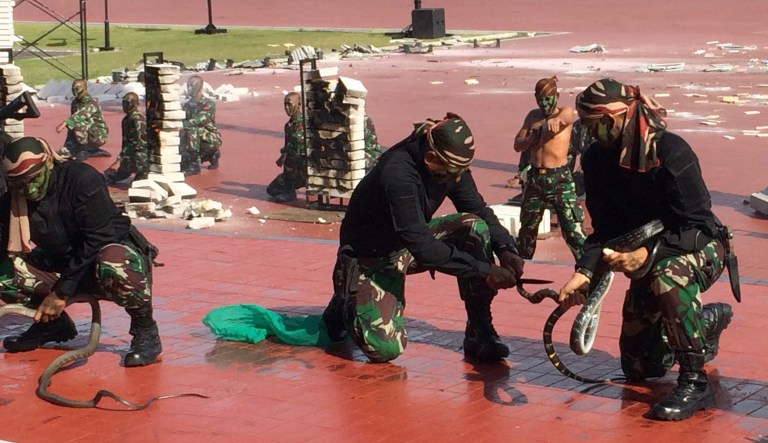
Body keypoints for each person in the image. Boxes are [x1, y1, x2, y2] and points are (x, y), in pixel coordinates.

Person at [558, 78, 735, 421]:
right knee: (641, 367)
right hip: (647, 258)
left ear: (611, 120)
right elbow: (604, 230)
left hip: (697, 247)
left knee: (668, 276)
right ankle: (704, 323)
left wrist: (648, 256)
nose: (588, 135)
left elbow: (698, 226)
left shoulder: (670, 151)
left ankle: (695, 383)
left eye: (592, 126)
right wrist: (582, 272)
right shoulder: (596, 160)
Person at [321, 113, 525, 364]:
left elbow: (478, 209)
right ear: (430, 159)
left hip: (408, 244)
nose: (459, 179)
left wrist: (506, 247)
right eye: (454, 173)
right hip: (372, 258)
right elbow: (421, 246)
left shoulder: (450, 166)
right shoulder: (398, 173)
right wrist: (484, 270)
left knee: (475, 227)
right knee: (386, 350)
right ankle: (346, 302)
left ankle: (479, 329)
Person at [0, 136, 162, 367]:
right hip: (61, 264)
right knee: (4, 273)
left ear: (48, 164)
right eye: (20, 184)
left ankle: (145, 330)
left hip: (101, 261)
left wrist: (60, 293)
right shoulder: (14, 198)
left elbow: (98, 238)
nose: (29, 189)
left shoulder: (81, 179)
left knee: (115, 261)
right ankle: (52, 325)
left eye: (34, 180)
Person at [513, 76, 586, 261]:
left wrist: (555, 120)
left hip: (559, 178)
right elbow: (517, 144)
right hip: (536, 178)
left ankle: (588, 268)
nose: (545, 104)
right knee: (527, 230)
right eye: (541, 100)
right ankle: (520, 267)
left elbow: (566, 117)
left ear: (557, 96)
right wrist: (529, 139)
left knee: (572, 229)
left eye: (548, 99)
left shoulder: (565, 112)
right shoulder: (532, 117)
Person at [55, 79, 110, 161]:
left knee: (78, 122)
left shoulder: (91, 103)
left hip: (98, 135)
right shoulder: (75, 103)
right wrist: (67, 145)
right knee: (61, 153)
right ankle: (83, 148)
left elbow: (81, 115)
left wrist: (65, 122)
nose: (75, 91)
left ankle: (83, 150)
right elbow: (72, 126)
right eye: (73, 89)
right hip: (85, 134)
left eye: (78, 89)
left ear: (85, 89)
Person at [267, 92, 306, 203]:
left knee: (292, 157)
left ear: (298, 104)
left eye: (289, 104)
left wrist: (285, 154)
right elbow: (288, 144)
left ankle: (290, 191)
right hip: (292, 167)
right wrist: (283, 156)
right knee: (271, 190)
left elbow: (297, 142)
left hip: (302, 165)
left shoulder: (302, 122)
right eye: (285, 104)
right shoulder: (288, 125)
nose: (287, 108)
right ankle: (289, 184)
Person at [103, 92, 149, 185]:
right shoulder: (126, 120)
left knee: (139, 157)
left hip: (141, 155)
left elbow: (141, 144)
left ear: (136, 104)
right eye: (124, 103)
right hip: (130, 155)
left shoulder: (138, 119)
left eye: (129, 103)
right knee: (108, 177)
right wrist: (120, 160)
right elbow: (126, 143)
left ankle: (143, 173)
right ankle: (127, 170)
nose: (125, 106)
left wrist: (120, 160)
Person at [181, 75, 222, 176]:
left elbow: (200, 120)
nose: (189, 89)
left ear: (200, 87)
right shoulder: (187, 105)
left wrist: (182, 125)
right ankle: (196, 158)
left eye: (192, 86)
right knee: (181, 133)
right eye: (188, 86)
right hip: (195, 139)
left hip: (210, 137)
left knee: (192, 131)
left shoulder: (208, 103)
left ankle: (195, 165)